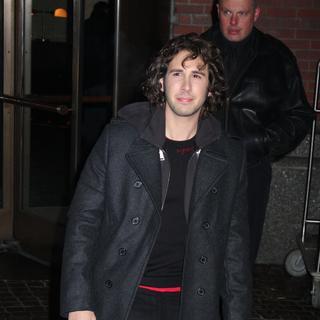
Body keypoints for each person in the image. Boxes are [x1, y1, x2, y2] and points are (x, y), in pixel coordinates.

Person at [60, 33, 251, 320]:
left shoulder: (229, 156)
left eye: (197, 75)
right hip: (125, 296)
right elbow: (83, 223)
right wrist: (78, 303)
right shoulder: (119, 140)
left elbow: (235, 249)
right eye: (177, 73)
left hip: (192, 302)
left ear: (211, 88)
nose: (186, 85)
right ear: (161, 82)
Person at [202, 0, 314, 264]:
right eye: (227, 12)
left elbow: (299, 114)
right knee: (198, 250)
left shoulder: (276, 56)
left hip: (250, 168)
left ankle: (235, 306)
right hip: (201, 163)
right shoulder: (198, 50)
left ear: (256, 14)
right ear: (217, 10)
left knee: (242, 250)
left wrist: (260, 142)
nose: (233, 22)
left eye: (241, 14)